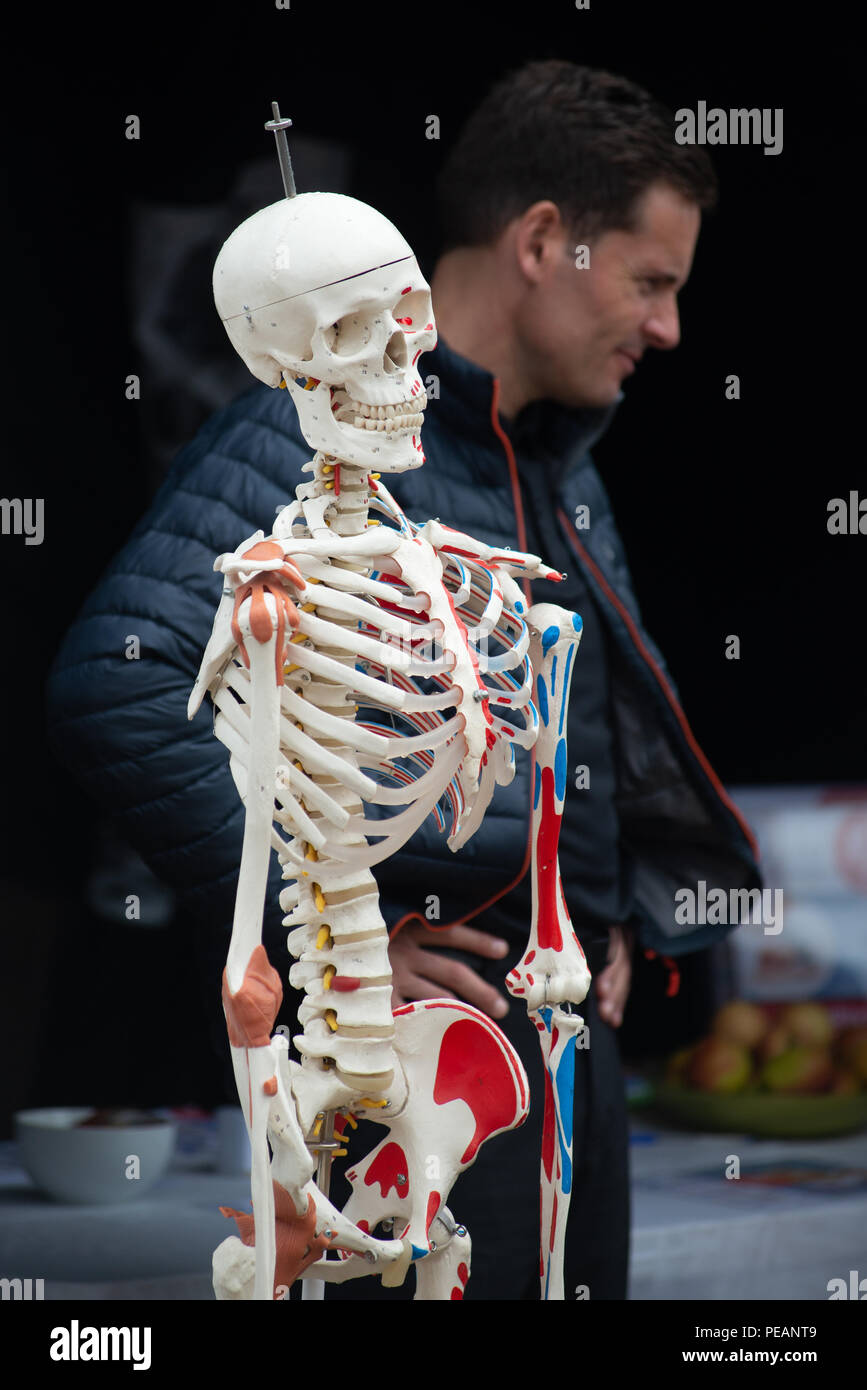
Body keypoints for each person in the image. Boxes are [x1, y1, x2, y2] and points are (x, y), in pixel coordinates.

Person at [46, 60, 761, 1299]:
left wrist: (615, 920)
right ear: (545, 241)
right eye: (650, 282)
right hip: (407, 1055)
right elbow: (112, 682)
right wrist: (336, 929)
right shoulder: (309, 429)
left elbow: (587, 734)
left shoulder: (555, 459)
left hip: (556, 1035)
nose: (667, 328)